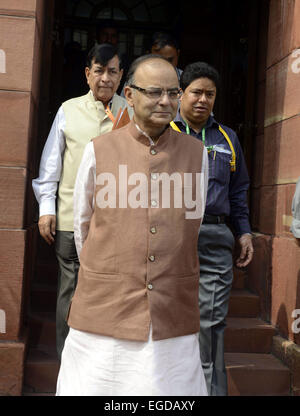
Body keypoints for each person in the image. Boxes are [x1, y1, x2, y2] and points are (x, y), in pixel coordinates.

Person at [55, 54, 209, 396]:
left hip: (172, 304)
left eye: (173, 92)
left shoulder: (196, 153)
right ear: (131, 93)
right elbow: (83, 224)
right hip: (105, 303)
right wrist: (114, 265)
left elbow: (191, 226)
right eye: (155, 92)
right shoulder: (100, 150)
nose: (166, 101)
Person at [32, 43, 132, 359]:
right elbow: (51, 164)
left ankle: (98, 364)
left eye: (112, 71)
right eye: (99, 71)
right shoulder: (68, 109)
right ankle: (68, 362)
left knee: (110, 292)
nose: (106, 78)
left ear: (121, 76)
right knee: (70, 290)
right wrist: (46, 209)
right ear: (88, 74)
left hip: (116, 222)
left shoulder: (130, 113)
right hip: (69, 217)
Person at [171, 61, 254, 396]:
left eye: (210, 94)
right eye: (196, 92)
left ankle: (210, 391)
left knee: (211, 321)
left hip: (216, 237)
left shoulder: (227, 138)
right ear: (181, 95)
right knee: (168, 318)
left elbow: (238, 189)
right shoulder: (165, 133)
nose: (202, 100)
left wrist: (244, 231)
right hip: (171, 239)